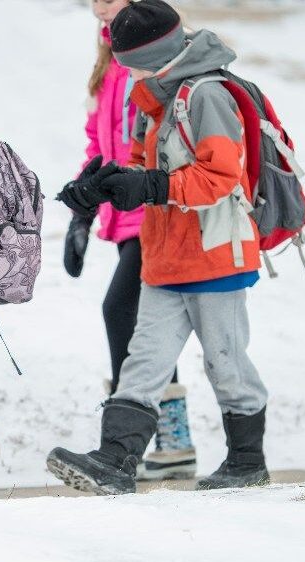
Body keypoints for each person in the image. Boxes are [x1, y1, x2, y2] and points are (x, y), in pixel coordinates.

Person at [47, 0, 270, 495]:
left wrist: (153, 188)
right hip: (165, 256)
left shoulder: (207, 96)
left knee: (225, 361)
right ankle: (115, 460)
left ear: (155, 54)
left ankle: (247, 460)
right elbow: (137, 163)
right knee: (143, 362)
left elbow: (220, 174)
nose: (127, 73)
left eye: (132, 62)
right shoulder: (157, 98)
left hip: (214, 257)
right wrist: (99, 188)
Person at [58, 0, 195, 481]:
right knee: (145, 323)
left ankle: (127, 442)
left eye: (109, 2)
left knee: (122, 312)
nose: (100, 10)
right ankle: (172, 442)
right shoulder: (109, 63)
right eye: (95, 4)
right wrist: (83, 208)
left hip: (158, 209)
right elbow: (99, 145)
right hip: (125, 214)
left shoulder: (155, 54)